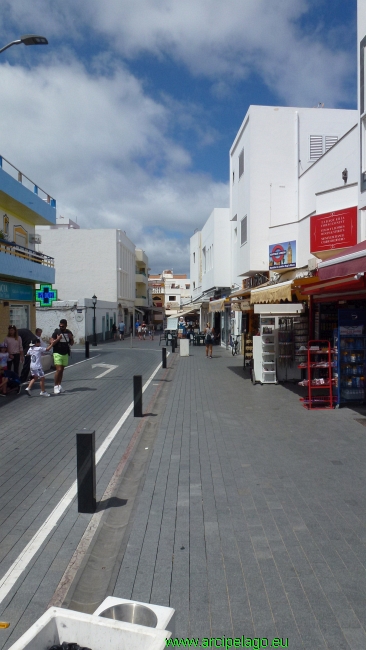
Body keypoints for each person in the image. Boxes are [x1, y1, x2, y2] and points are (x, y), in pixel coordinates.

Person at [49, 318, 74, 394]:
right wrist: (58, 339)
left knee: (62, 370)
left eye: (62, 326)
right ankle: (55, 386)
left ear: (66, 326)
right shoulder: (56, 332)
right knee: (59, 369)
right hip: (57, 352)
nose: (61, 327)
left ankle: (59, 385)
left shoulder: (69, 332)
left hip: (65, 353)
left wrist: (71, 338)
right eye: (60, 326)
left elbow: (72, 343)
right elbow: (51, 342)